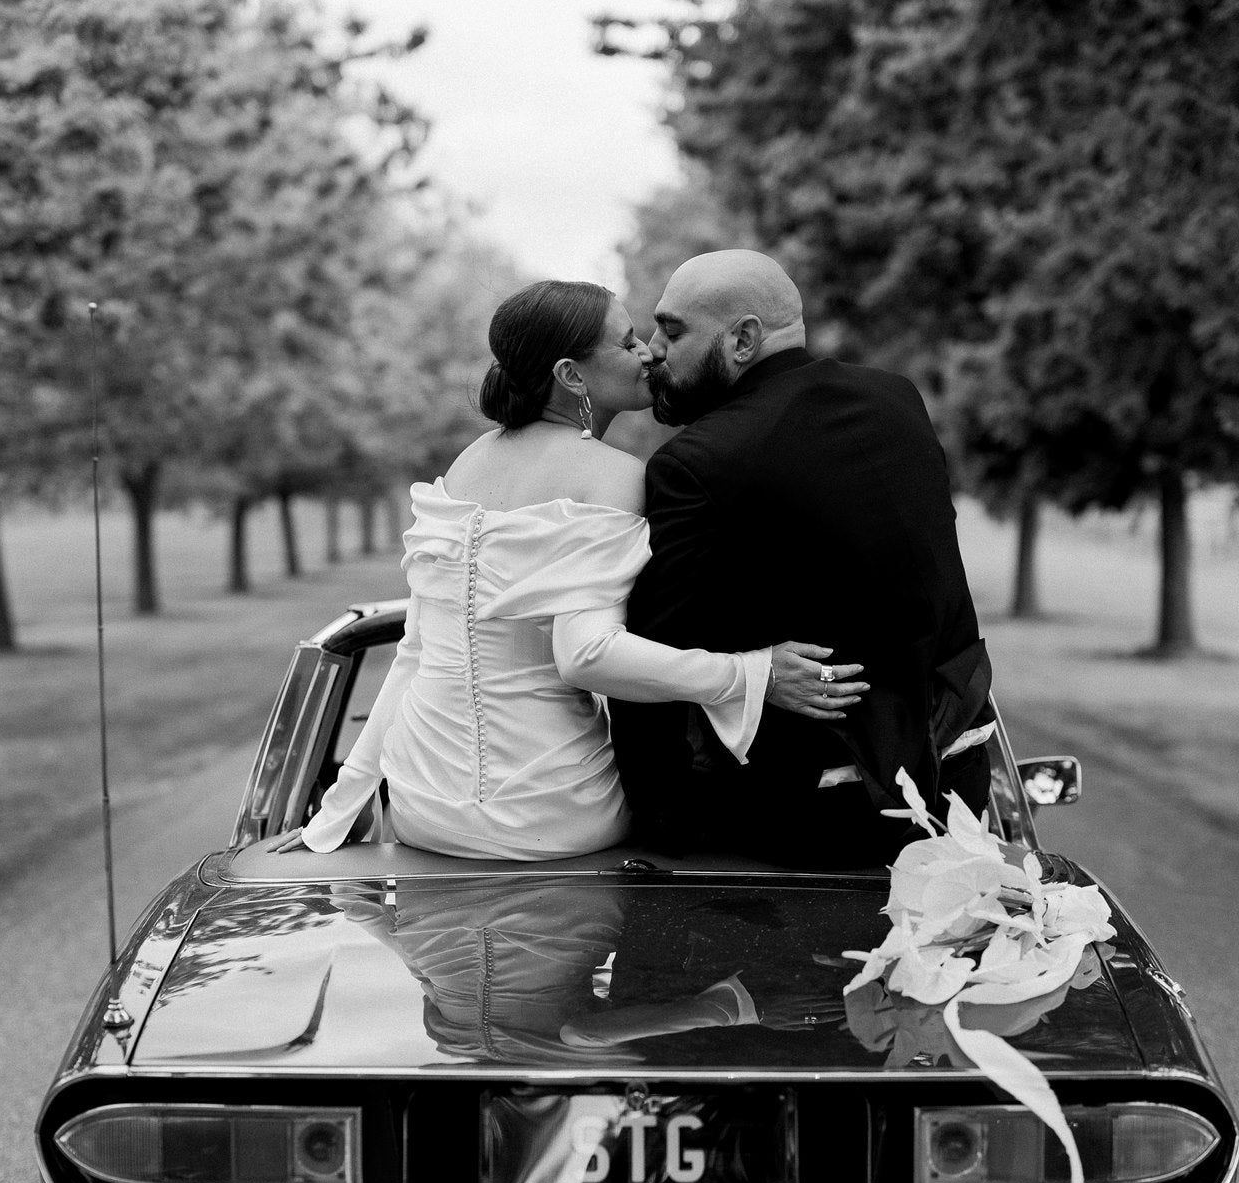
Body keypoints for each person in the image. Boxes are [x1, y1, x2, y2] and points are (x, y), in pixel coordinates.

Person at [299, 278, 866, 861]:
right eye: (626, 344)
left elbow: (414, 653)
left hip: (423, 805)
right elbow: (586, 655)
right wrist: (752, 675)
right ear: (571, 375)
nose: (649, 351)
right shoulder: (609, 474)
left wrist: (339, 809)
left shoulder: (468, 462)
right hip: (552, 809)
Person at [609, 249, 994, 866]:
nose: (654, 349)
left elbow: (656, 664)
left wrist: (660, 825)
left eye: (672, 329)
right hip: (957, 786)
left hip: (807, 824)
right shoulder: (897, 401)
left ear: (743, 339)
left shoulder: (697, 463)